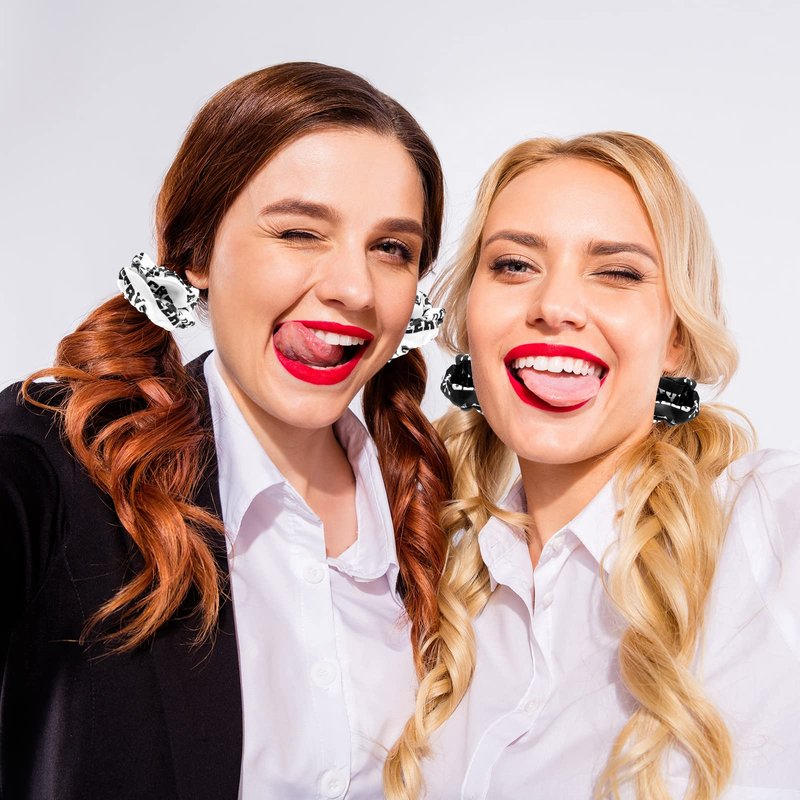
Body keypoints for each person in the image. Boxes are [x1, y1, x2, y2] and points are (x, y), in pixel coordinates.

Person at [0, 62, 453, 800]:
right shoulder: (58, 456)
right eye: (300, 232)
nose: (355, 288)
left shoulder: (439, 513)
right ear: (197, 252)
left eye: (392, 249)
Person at [385, 133, 800, 799]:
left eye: (618, 273)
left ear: (676, 336)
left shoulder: (768, 523)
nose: (554, 306)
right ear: (468, 313)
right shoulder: (425, 583)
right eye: (515, 265)